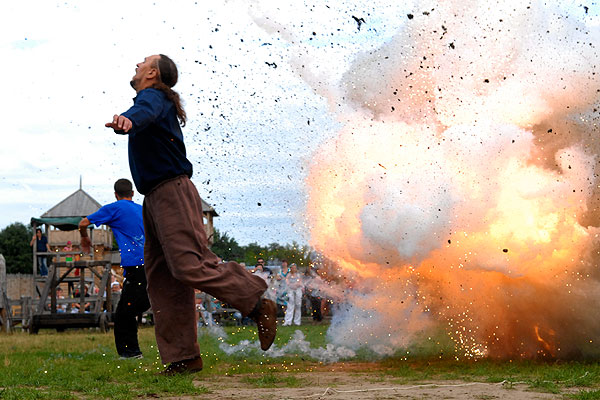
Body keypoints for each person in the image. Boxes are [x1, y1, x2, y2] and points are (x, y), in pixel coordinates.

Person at [104, 54, 276, 375]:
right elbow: (143, 111)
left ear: (153, 73)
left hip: (171, 192)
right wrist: (131, 119)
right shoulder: (153, 99)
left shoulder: (153, 97)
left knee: (189, 265)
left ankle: (256, 301)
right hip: (155, 197)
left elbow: (144, 110)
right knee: (162, 280)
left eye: (143, 62)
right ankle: (183, 358)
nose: (136, 64)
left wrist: (129, 120)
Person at [78, 178, 150, 359]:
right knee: (132, 308)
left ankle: (131, 354)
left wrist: (85, 238)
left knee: (125, 313)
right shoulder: (143, 210)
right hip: (152, 263)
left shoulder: (114, 208)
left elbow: (83, 223)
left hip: (136, 264)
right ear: (133, 194)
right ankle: (134, 352)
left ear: (116, 194)